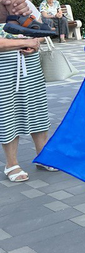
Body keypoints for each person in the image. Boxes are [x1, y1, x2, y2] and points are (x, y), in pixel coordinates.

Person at [0, 31, 53, 182]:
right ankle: (11, 164)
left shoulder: (25, 6)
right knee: (8, 112)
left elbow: (44, 30)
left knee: (37, 108)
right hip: (3, 68)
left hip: (31, 66)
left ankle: (43, 155)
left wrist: (35, 42)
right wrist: (25, 43)